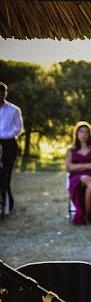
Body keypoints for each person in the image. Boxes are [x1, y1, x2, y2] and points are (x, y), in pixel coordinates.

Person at [0, 82, 23, 213]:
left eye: (3, 93)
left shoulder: (13, 110)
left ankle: (7, 205)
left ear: (5, 93)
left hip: (9, 143)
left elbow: (19, 128)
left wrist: (8, 136)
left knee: (6, 174)